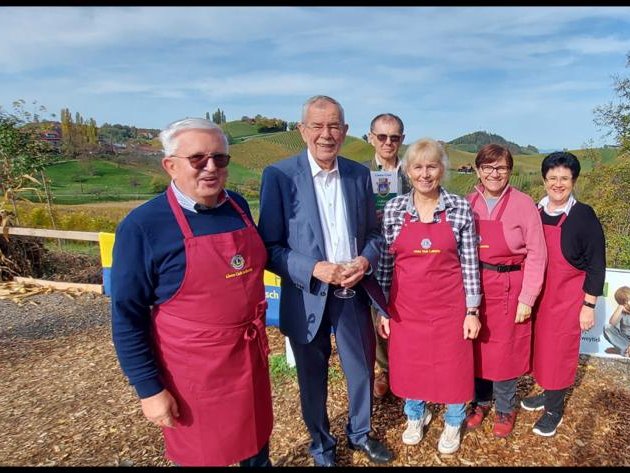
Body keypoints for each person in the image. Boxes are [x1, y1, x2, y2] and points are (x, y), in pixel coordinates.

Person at [110, 118, 273, 466]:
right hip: (194, 374)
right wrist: (149, 389)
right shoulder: (143, 227)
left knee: (257, 446)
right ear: (170, 165)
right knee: (203, 454)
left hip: (247, 359)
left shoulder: (238, 206)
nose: (211, 167)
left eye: (220, 158)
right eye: (198, 158)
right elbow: (127, 316)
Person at [258, 95, 393, 467]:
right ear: (302, 130)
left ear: (345, 131)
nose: (326, 134)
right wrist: (314, 268)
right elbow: (268, 247)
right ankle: (321, 446)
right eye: (317, 126)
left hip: (353, 291)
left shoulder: (358, 175)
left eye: (334, 126)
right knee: (312, 378)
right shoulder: (280, 176)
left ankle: (360, 433)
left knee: (361, 368)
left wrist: (365, 259)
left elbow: (374, 234)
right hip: (306, 294)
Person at [376, 138, 482, 455]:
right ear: (408, 172)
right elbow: (385, 264)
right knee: (410, 363)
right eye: (418, 167)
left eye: (432, 167)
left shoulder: (459, 208)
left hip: (450, 307)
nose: (425, 174)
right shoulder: (394, 209)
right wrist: (383, 308)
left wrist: (472, 310)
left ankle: (453, 420)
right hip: (406, 308)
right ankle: (415, 415)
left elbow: (470, 263)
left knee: (453, 365)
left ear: (442, 170)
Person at [463, 144, 547, 438]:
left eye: (500, 167)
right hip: (475, 284)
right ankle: (481, 401)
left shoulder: (524, 204)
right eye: (487, 167)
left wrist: (528, 297)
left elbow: (537, 253)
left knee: (505, 351)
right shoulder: (468, 202)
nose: (494, 173)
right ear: (478, 170)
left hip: (510, 284)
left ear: (509, 171)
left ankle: (505, 408)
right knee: (476, 346)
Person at [521, 151, 606, 437]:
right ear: (544, 180)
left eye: (565, 178)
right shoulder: (535, 211)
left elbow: (596, 265)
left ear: (574, 181)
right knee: (540, 350)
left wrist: (588, 305)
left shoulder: (583, 216)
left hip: (566, 300)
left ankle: (554, 411)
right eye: (552, 178)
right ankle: (548, 394)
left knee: (557, 354)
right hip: (538, 297)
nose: (558, 184)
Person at [362, 113, 411, 400]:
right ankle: (385, 369)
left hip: (408, 252)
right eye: (382, 136)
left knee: (407, 309)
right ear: (371, 138)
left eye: (394, 137)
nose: (388, 142)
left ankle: (408, 366)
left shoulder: (413, 172)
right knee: (375, 311)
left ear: (402, 139)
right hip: (374, 250)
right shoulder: (359, 174)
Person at [603, 286, 630, 357]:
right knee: (607, 327)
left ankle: (622, 351)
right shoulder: (622, 311)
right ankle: (624, 350)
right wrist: (620, 308)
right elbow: (612, 323)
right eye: (625, 302)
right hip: (624, 339)